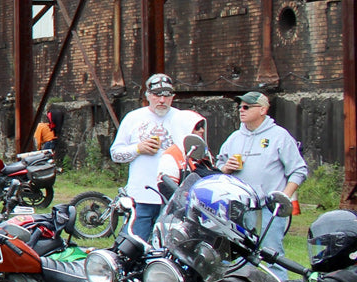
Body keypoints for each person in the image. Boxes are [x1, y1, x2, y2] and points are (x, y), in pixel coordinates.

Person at [109, 73, 200, 241]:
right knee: (135, 244)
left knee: (168, 247)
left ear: (173, 96)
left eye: (167, 95)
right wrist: (138, 148)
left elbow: (196, 155)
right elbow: (115, 154)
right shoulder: (133, 118)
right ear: (148, 96)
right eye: (157, 95)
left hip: (174, 197)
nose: (162, 100)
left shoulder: (183, 119)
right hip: (141, 196)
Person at [219, 91, 308, 259]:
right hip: (242, 207)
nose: (241, 110)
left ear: (263, 110)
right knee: (241, 254)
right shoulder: (234, 138)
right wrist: (225, 168)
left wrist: (283, 197)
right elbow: (218, 166)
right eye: (240, 107)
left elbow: (299, 170)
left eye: (246, 107)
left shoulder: (279, 136)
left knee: (272, 254)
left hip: (270, 207)